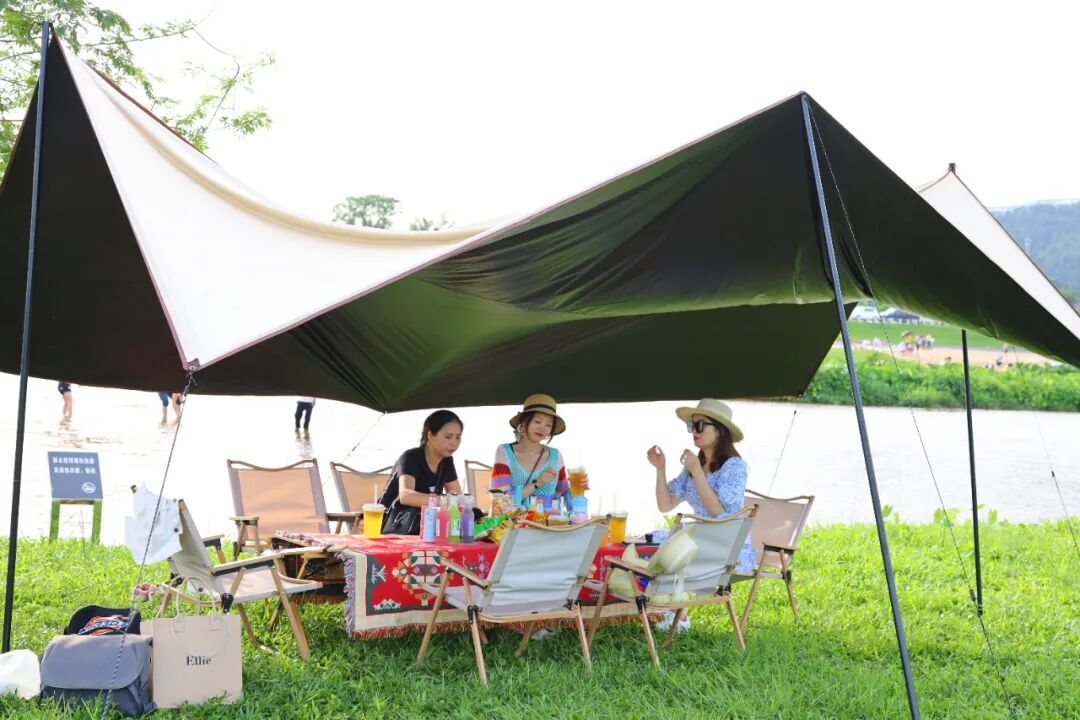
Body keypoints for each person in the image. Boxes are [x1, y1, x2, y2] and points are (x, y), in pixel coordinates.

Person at [646, 398, 756, 633]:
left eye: (700, 425)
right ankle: (662, 608)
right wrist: (660, 468)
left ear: (719, 431)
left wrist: (697, 471)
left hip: (725, 546)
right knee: (645, 542)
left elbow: (719, 511)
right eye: (691, 425)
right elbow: (665, 504)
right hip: (700, 540)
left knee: (663, 551)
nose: (693, 431)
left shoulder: (734, 466)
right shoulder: (695, 465)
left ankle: (676, 614)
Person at [379, 410, 464, 535]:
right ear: (430, 435)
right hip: (393, 526)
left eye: (458, 437)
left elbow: (457, 497)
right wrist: (446, 501)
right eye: (448, 437)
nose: (454, 443)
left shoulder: (447, 461)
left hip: (423, 527)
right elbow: (406, 496)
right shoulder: (410, 457)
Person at [490, 394, 582, 510]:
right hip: (513, 521)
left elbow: (562, 495)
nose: (542, 428)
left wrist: (578, 489)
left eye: (548, 425)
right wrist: (537, 483)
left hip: (548, 521)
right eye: (537, 421)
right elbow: (500, 501)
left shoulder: (556, 456)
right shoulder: (504, 453)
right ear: (524, 422)